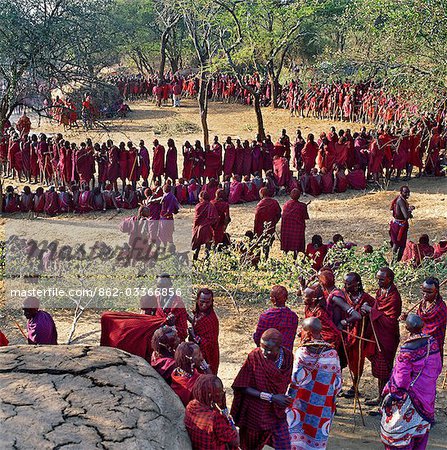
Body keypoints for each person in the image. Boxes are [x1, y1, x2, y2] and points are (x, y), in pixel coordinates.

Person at [380, 315, 442, 450]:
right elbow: (438, 367)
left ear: (407, 328)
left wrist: (394, 394)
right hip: (427, 396)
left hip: (409, 398)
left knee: (398, 433)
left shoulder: (408, 349)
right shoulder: (432, 342)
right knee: (420, 432)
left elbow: (401, 378)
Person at [231, 328, 293, 450]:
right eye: (262, 347)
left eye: (269, 350)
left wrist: (279, 399)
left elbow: (284, 382)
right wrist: (271, 397)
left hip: (277, 411)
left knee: (283, 445)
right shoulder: (254, 357)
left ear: (279, 347)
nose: (264, 352)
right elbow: (242, 386)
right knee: (251, 446)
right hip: (256, 412)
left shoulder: (288, 358)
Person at [287, 317, 342, 450]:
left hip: (301, 402)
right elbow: (338, 384)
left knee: (299, 428)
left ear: (309, 333)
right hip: (323, 404)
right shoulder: (332, 354)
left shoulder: (302, 353)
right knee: (317, 431)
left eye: (303, 330)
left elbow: (294, 379)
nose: (300, 332)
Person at [361, 267, 402, 407]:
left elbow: (390, 320)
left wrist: (370, 311)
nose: (378, 281)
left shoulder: (394, 297)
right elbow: (377, 308)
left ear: (389, 279)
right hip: (377, 333)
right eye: (377, 278)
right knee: (379, 366)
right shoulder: (381, 291)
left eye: (381, 279)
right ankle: (380, 397)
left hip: (387, 335)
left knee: (385, 367)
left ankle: (385, 399)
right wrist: (369, 308)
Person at [343, 272, 376, 398]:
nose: (345, 285)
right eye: (345, 283)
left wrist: (367, 311)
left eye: (348, 283)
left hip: (359, 334)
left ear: (357, 284)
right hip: (344, 332)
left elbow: (376, 312)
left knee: (357, 360)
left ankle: (355, 386)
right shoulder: (343, 296)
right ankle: (338, 386)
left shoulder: (367, 299)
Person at [184, 374, 239, 450]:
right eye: (220, 391)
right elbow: (236, 441)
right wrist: (225, 411)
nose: (223, 393)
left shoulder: (190, 406)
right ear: (210, 396)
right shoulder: (215, 418)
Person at [253, 285, 299, 353]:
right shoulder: (293, 317)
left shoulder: (266, 316)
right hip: (286, 355)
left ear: (273, 300)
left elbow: (258, 338)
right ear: (286, 298)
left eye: (271, 297)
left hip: (268, 355)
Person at [188, 288, 220, 375]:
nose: (204, 305)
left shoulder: (211, 319)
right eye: (202, 301)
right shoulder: (198, 313)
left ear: (212, 301)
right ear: (197, 300)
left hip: (208, 355)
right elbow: (197, 324)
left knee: (206, 379)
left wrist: (194, 336)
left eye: (208, 302)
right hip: (195, 351)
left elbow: (210, 343)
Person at [171, 342, 212, 406]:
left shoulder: (177, 372)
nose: (201, 357)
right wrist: (207, 370)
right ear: (190, 360)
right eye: (198, 355)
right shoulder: (196, 384)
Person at [415, 277, 446, 360]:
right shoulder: (423, 303)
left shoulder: (441, 308)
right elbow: (418, 318)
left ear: (436, 292)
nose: (425, 295)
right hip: (419, 343)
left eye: (429, 292)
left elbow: (431, 331)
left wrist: (417, 332)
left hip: (432, 346)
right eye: (423, 291)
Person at [280, 188, 309, 259]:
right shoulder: (302, 206)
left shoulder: (286, 204)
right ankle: (295, 256)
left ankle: (285, 254)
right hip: (297, 228)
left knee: (287, 241)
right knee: (297, 242)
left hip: (286, 228)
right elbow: (305, 217)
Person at [253, 187, 281, 259]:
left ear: (262, 195)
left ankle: (257, 258)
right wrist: (274, 222)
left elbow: (256, 218)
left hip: (260, 227)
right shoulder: (274, 202)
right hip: (270, 226)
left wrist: (255, 229)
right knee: (268, 242)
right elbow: (279, 214)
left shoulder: (260, 204)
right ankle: (266, 257)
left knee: (259, 242)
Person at [191, 191, 219, 261]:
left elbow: (196, 219)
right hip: (208, 228)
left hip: (199, 228)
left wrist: (194, 228)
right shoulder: (211, 206)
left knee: (197, 245)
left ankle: (195, 259)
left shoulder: (198, 206)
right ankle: (207, 261)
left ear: (201, 198)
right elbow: (215, 218)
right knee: (208, 246)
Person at [389, 185, 414, 261]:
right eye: (405, 192)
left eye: (408, 192)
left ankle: (395, 262)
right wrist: (410, 210)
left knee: (399, 244)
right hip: (399, 226)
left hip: (399, 224)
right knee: (398, 245)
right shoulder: (400, 201)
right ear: (401, 192)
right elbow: (406, 216)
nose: (407, 194)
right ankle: (394, 262)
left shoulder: (401, 199)